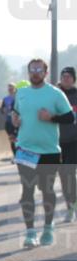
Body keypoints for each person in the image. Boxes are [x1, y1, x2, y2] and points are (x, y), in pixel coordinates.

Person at [11, 59, 76, 247]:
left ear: (45, 72)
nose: (35, 72)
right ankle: (30, 233)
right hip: (25, 150)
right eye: (32, 69)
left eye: (39, 69)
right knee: (27, 191)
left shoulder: (55, 94)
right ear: (28, 72)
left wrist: (51, 117)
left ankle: (48, 227)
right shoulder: (21, 93)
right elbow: (16, 113)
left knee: (47, 191)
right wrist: (15, 120)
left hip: (49, 151)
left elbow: (69, 117)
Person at [57, 67, 77, 223]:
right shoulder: (55, 95)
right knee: (64, 175)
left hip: (75, 140)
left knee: (70, 172)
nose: (66, 79)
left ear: (74, 79)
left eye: (69, 76)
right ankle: (70, 206)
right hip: (57, 141)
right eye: (63, 76)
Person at [2, 83, 19, 155]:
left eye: (12, 88)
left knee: (19, 139)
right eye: (9, 88)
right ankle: (15, 155)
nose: (10, 89)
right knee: (12, 139)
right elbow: (2, 110)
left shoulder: (18, 97)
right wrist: (5, 110)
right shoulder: (5, 99)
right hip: (9, 122)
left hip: (18, 122)